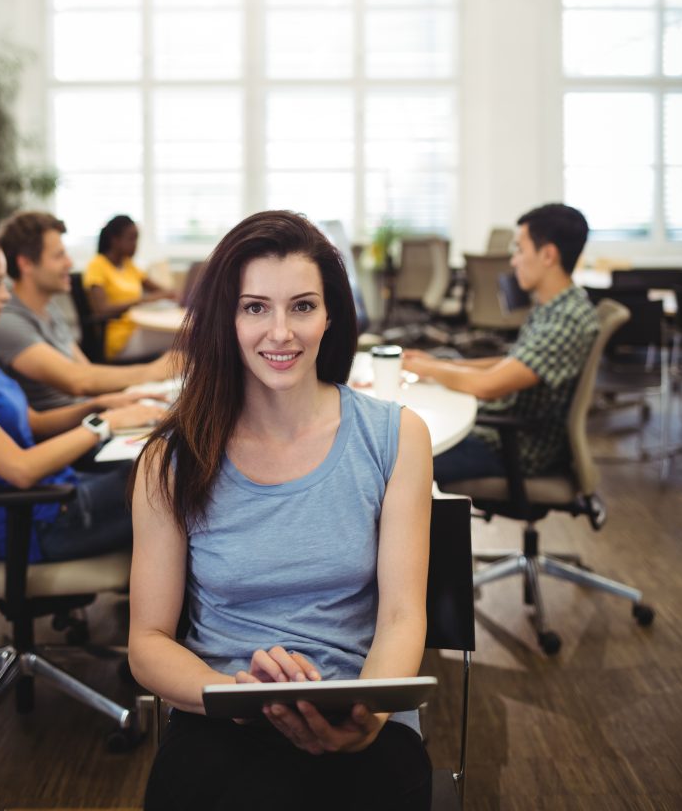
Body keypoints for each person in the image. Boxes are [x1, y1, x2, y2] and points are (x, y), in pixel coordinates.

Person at [128, 211, 434, 811]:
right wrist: (235, 695)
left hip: (358, 705)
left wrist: (370, 712)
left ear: (329, 316)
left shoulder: (397, 436)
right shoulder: (170, 460)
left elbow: (401, 616)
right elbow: (148, 640)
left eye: (301, 306)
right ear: (227, 317)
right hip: (218, 711)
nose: (280, 333)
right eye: (254, 308)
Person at [0, 228, 158, 562]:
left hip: (59, 494)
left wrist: (98, 405)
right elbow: (20, 469)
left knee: (154, 466)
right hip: (39, 523)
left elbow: (33, 423)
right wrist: (104, 424)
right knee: (172, 482)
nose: (5, 296)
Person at [402, 203, 599, 487]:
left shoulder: (566, 319)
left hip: (515, 448)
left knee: (396, 462)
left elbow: (489, 385)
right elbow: (510, 362)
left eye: (519, 249)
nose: (513, 261)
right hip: (501, 433)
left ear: (548, 255)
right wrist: (439, 364)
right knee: (404, 440)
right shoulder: (552, 307)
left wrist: (430, 370)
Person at [0, 211, 175, 415]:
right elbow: (78, 381)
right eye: (58, 255)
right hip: (68, 434)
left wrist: (127, 400)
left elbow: (86, 372)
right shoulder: (7, 321)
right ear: (26, 264)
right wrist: (156, 371)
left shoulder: (49, 309)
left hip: (90, 419)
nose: (70, 263)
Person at [84, 215, 183, 361]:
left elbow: (161, 290)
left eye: (137, 239)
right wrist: (142, 300)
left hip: (138, 328)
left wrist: (174, 294)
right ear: (115, 240)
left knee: (185, 337)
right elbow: (101, 309)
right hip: (119, 339)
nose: (135, 244)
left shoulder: (129, 265)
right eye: (131, 239)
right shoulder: (97, 265)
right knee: (185, 340)